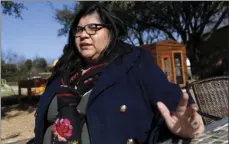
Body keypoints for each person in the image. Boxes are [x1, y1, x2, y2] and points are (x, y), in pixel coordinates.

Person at [34, 3, 204, 144]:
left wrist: (189, 126)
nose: (84, 35)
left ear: (110, 32)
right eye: (79, 30)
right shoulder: (63, 71)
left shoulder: (134, 62)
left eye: (93, 28)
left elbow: (173, 108)